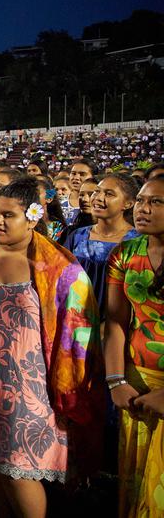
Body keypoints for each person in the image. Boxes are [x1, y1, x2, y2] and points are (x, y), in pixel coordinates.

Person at [0, 177, 104, 517]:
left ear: (33, 217)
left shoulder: (61, 269)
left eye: (9, 215)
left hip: (31, 387)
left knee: (19, 469)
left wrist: (74, 381)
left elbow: (81, 332)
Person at [105, 177, 164, 518]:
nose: (143, 209)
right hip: (136, 382)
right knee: (138, 480)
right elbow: (115, 322)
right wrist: (116, 381)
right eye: (141, 200)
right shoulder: (125, 253)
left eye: (156, 202)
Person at [65, 173, 139, 314]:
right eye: (97, 191)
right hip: (75, 322)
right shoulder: (77, 236)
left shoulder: (137, 242)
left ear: (128, 204)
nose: (97, 198)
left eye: (109, 194)